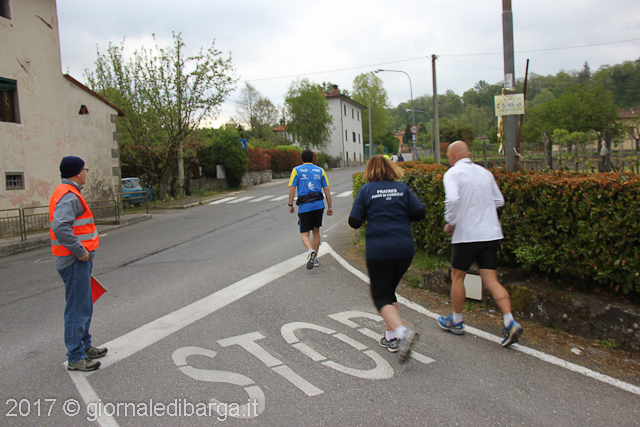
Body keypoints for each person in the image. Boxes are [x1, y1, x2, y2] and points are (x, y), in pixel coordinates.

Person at [438, 141, 523, 347]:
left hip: (467, 235)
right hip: (490, 234)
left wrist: (451, 222)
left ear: (453, 155)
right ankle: (509, 320)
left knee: (458, 277)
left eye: (448, 155)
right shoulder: (485, 173)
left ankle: (456, 320)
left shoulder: (452, 174)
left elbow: (453, 200)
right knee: (491, 280)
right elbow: (499, 201)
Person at [348, 155, 426, 362]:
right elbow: (420, 213)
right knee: (389, 291)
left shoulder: (366, 190)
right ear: (391, 168)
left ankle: (402, 333)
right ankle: (390, 337)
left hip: (380, 250)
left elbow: (354, 221)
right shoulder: (402, 188)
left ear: (369, 170)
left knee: (380, 296)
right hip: (404, 248)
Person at [49, 156, 107, 371]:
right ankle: (75, 356)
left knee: (84, 305)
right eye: (85, 169)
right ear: (77, 172)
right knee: (77, 308)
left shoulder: (67, 192)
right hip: (74, 260)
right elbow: (60, 227)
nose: (86, 173)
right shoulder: (70, 196)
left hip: (76, 260)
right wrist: (80, 251)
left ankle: (85, 347)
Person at [288, 150, 333, 269]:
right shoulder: (320, 170)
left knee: (304, 233)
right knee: (316, 231)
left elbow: (292, 188)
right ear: (313, 158)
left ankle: (310, 251)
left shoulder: (296, 170)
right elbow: (327, 189)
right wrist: (330, 206)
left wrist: (290, 204)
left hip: (305, 206)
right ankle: (316, 258)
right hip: (318, 205)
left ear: (301, 159)